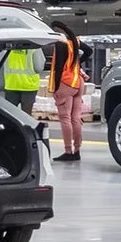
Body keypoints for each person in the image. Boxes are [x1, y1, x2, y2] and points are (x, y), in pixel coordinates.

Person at [48, 23, 86, 163]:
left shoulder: (60, 43)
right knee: (76, 118)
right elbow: (88, 51)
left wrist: (57, 88)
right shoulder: (74, 41)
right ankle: (77, 150)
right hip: (78, 81)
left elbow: (58, 68)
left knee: (65, 118)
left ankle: (68, 151)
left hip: (66, 83)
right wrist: (77, 65)